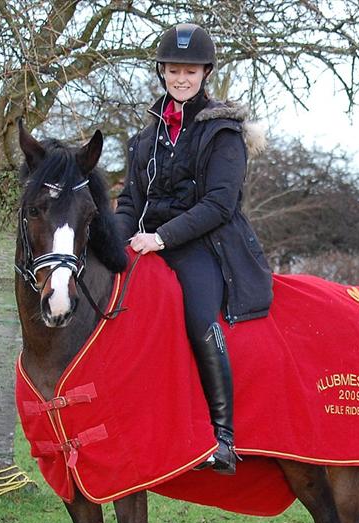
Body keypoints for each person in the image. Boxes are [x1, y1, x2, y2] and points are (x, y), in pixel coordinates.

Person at [115, 23, 272, 476]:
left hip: (205, 247)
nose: (181, 78)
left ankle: (223, 437)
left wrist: (161, 238)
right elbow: (130, 202)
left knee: (199, 315)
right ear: (161, 72)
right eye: (173, 70)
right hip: (147, 244)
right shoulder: (146, 139)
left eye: (190, 71)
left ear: (205, 73)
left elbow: (220, 204)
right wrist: (117, 238)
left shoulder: (222, 133)